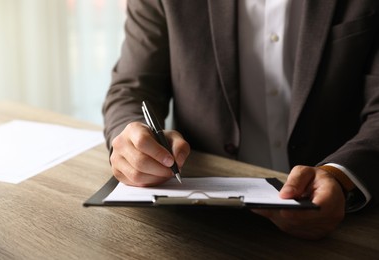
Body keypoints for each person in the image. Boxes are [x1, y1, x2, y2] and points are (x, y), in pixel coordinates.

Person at [102, 0, 379, 239]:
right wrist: (131, 139)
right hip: (201, 224)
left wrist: (341, 176)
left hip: (344, 221)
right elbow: (131, 89)